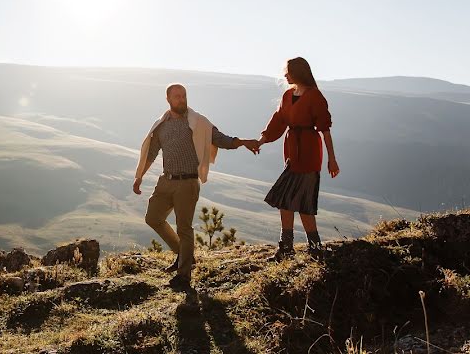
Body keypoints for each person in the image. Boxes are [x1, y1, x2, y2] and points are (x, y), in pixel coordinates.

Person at [133, 83, 260, 290]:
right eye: (177, 96)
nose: (182, 99)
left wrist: (243, 142)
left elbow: (220, 139)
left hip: (187, 183)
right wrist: (138, 177)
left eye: (184, 95)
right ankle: (184, 256)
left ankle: (183, 276)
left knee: (184, 228)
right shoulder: (161, 125)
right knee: (153, 218)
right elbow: (151, 153)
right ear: (168, 100)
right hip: (166, 181)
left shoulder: (198, 122)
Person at [256, 57, 339, 261]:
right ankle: (290, 248)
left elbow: (325, 130)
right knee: (287, 200)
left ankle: (311, 248)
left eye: (288, 71)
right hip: (292, 152)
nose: (285, 75)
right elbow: (278, 121)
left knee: (302, 203)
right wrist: (261, 140)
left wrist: (332, 159)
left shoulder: (315, 96)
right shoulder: (287, 95)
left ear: (298, 72)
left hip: (309, 152)